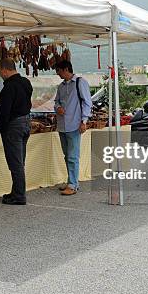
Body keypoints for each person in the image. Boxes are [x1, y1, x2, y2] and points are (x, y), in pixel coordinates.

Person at [0, 58, 33, 205]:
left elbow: (4, 111)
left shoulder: (9, 87)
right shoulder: (26, 83)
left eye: (0, 71)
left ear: (5, 70)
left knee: (15, 162)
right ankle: (16, 191)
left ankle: (19, 195)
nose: (0, 74)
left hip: (14, 126)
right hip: (25, 122)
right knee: (19, 161)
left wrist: (1, 127)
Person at [54, 60, 92, 196]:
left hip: (74, 125)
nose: (57, 73)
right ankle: (71, 180)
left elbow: (87, 102)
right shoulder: (61, 86)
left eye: (58, 70)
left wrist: (84, 121)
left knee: (73, 156)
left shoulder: (80, 82)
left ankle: (73, 185)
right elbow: (56, 101)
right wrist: (58, 108)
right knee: (67, 155)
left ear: (65, 69)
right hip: (62, 125)